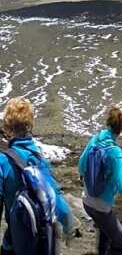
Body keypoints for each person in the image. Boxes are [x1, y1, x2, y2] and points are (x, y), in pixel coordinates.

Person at [0, 97, 76, 255]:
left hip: (15, 242)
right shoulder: (39, 158)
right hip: (43, 241)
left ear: (7, 127)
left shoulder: (3, 161)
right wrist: (68, 226)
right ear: (30, 125)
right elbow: (55, 197)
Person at [79, 106, 122, 255]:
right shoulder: (114, 151)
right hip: (101, 206)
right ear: (121, 129)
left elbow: (81, 166)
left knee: (105, 232)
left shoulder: (94, 140)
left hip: (86, 200)